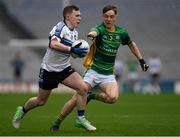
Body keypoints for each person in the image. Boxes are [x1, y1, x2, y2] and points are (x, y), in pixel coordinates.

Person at [50, 5, 149, 132]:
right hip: (93, 71)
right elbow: (94, 31)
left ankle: (91, 96)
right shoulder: (100, 29)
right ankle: (57, 122)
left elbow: (131, 44)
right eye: (106, 16)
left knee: (112, 98)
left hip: (108, 74)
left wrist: (141, 60)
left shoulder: (121, 32)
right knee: (75, 99)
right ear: (103, 17)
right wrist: (92, 34)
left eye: (111, 17)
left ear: (115, 18)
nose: (108, 19)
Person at [12, 5, 96, 131]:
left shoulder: (75, 33)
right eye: (77, 15)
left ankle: (80, 119)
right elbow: (54, 43)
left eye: (80, 16)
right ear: (68, 16)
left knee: (83, 88)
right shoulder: (60, 27)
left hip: (64, 69)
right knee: (41, 101)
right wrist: (71, 49)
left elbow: (70, 52)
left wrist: (76, 53)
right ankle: (22, 110)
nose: (80, 18)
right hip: (49, 70)